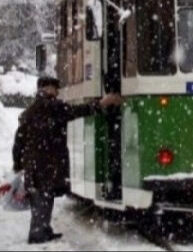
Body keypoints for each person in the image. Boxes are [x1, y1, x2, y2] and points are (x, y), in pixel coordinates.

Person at [12, 77, 121, 244]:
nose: (56, 92)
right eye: (55, 89)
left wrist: (18, 163)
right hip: (48, 163)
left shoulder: (30, 111)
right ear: (47, 89)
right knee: (44, 198)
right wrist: (102, 103)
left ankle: (43, 229)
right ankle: (38, 234)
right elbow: (78, 111)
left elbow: (19, 140)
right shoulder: (54, 108)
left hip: (34, 164)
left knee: (40, 198)